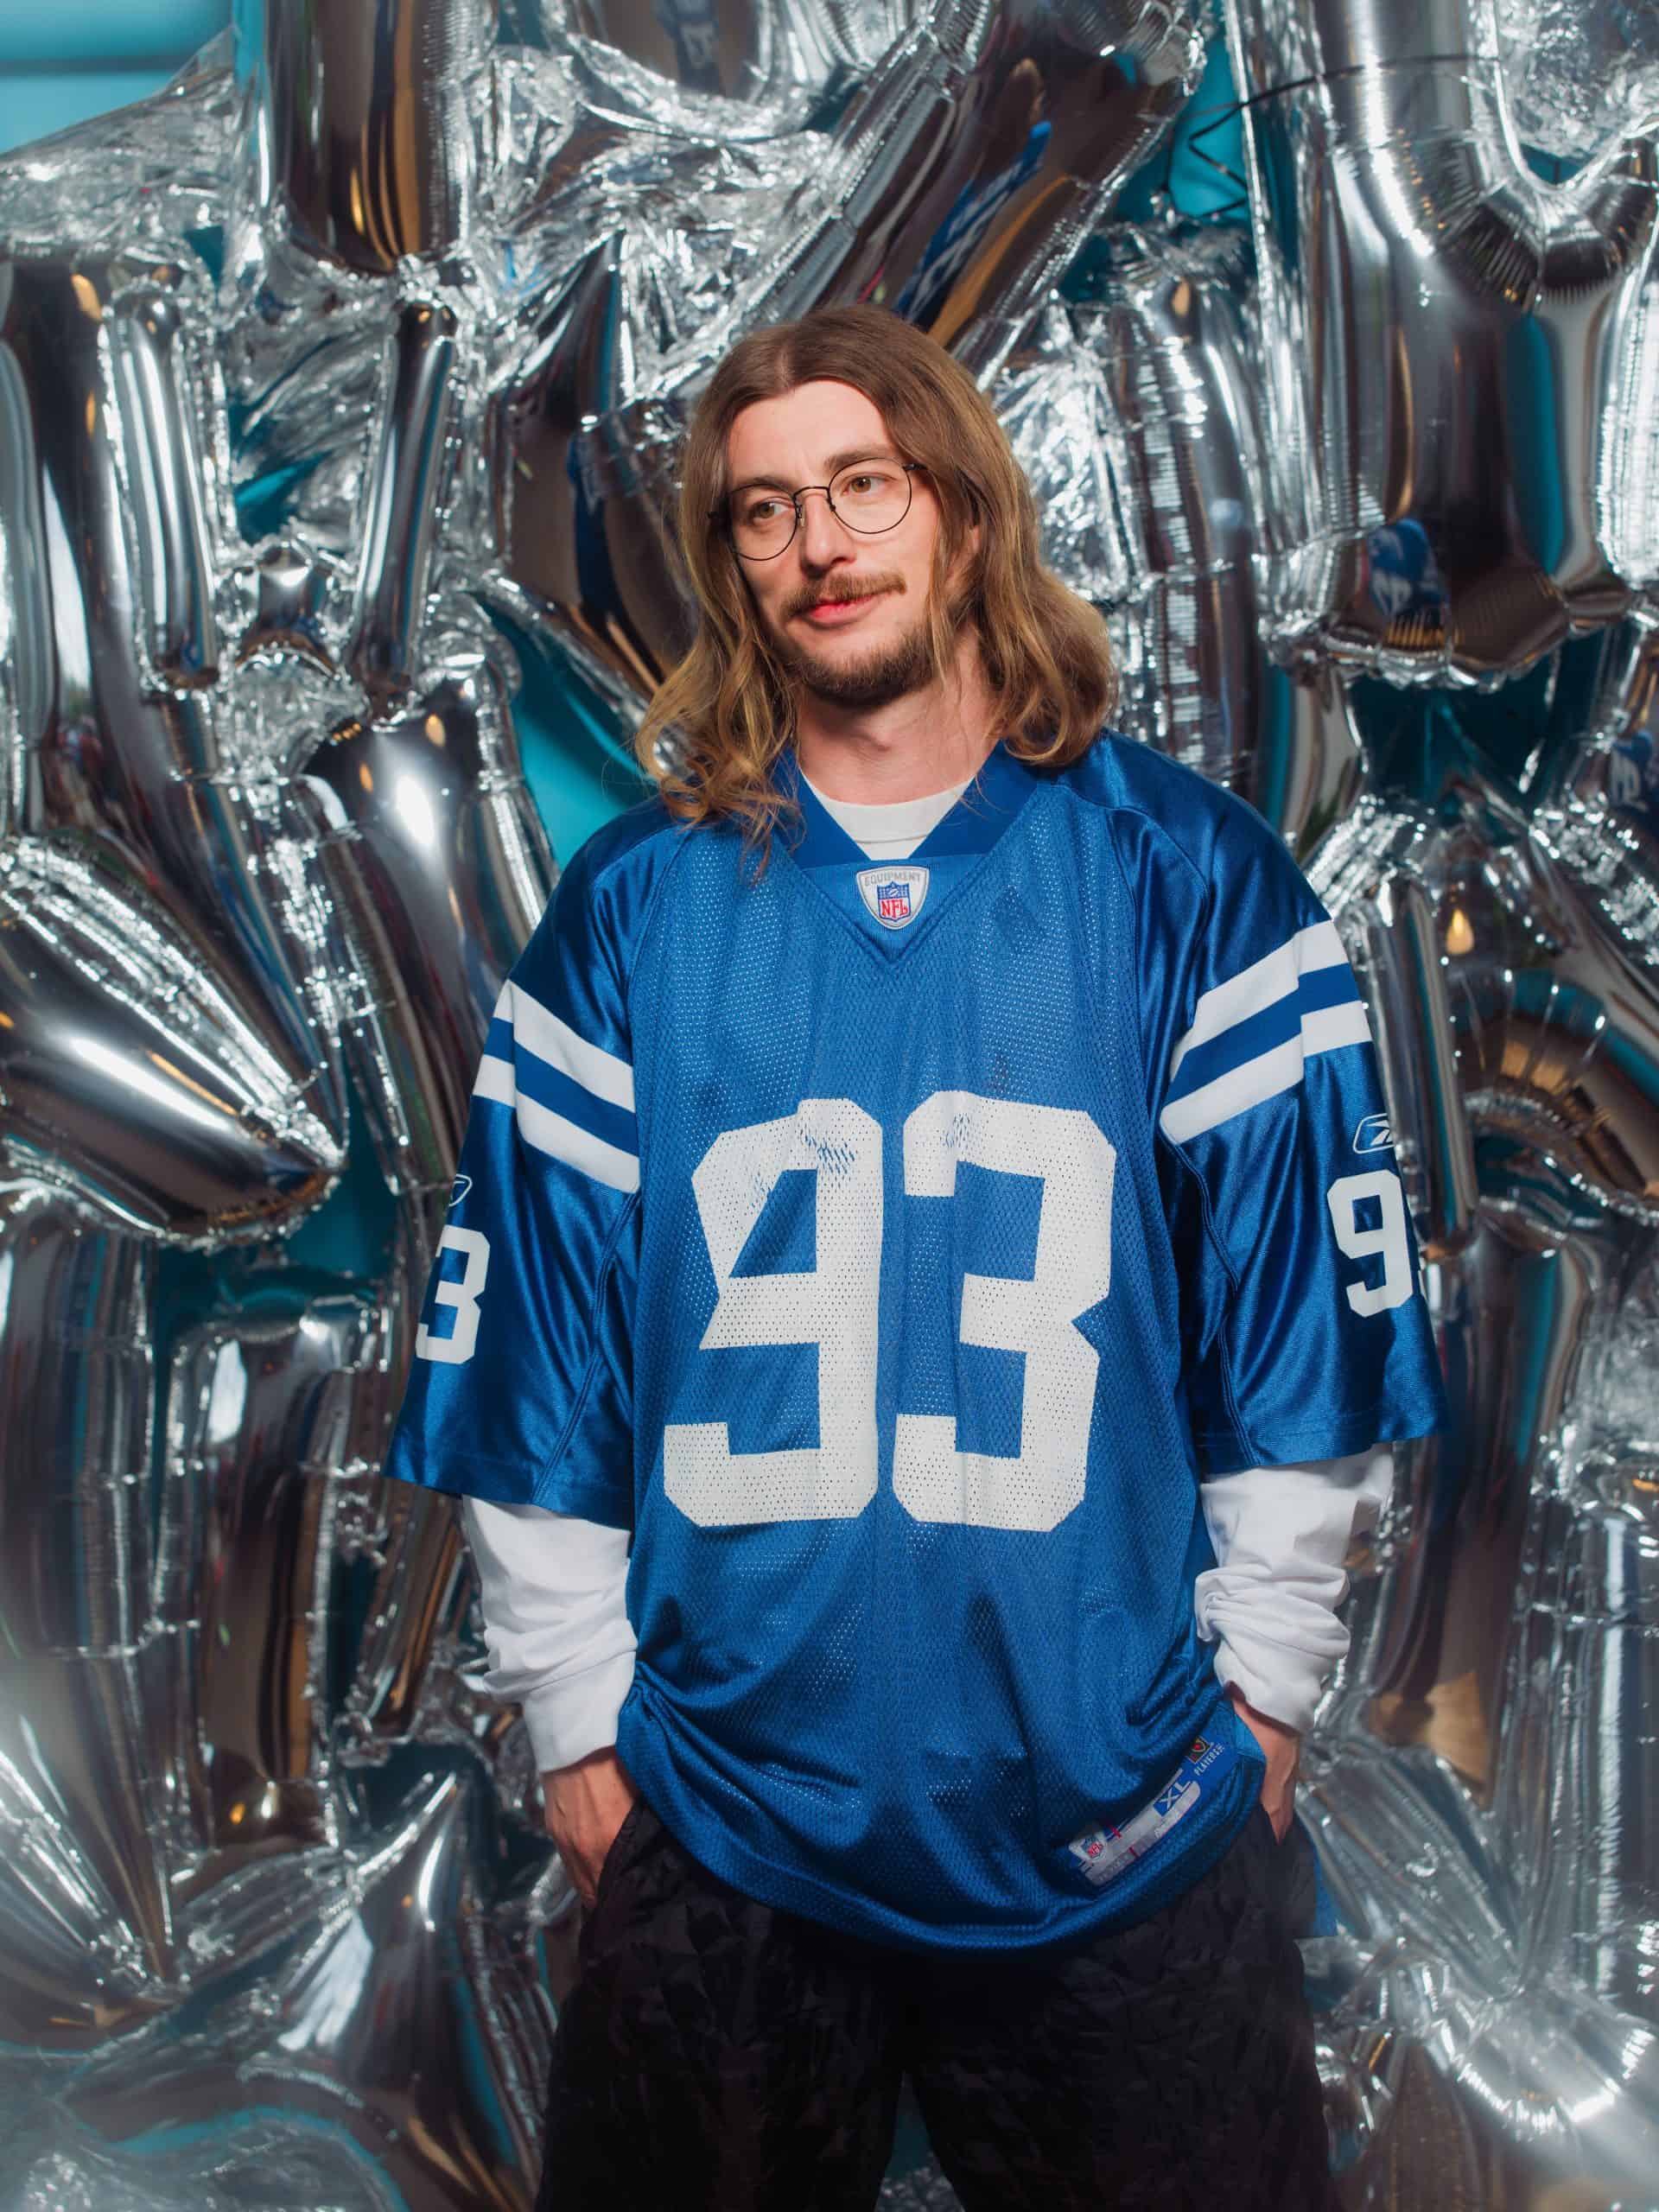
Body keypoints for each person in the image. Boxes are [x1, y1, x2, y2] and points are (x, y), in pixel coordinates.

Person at [382, 302, 1448, 2210]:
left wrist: (1264, 1696)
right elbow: (539, 1334)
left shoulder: (1181, 874)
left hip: (1116, 1806)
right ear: (732, 564)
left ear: (960, 510)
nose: (820, 546)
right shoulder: (636, 912)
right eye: (768, 510)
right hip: (721, 1808)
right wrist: (575, 1715)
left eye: (862, 485)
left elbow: (1296, 1315)